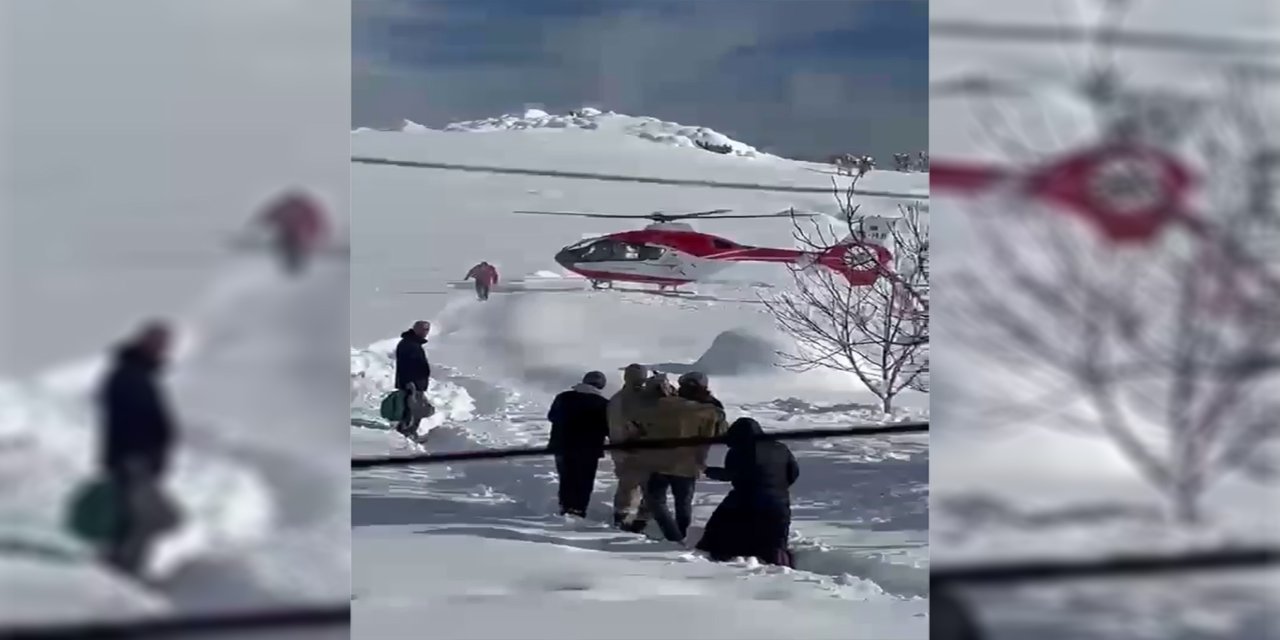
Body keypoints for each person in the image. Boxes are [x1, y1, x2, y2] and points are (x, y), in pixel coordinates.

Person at [95, 320, 183, 576]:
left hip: (139, 464)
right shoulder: (128, 375)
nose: (163, 349)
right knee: (154, 518)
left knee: (135, 520)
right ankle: (123, 572)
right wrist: (135, 458)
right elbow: (130, 421)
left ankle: (120, 569)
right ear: (143, 342)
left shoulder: (139, 375)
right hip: (133, 464)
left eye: (165, 344)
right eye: (157, 343)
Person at [633, 374, 727, 543]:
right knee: (683, 504)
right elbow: (721, 434)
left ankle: (673, 536)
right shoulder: (710, 411)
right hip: (688, 464)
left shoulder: (663, 404)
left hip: (659, 462)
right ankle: (683, 537)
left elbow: (641, 423)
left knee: (655, 500)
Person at [696, 417, 799, 568]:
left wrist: (707, 470)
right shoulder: (781, 448)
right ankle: (784, 569)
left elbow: (731, 474)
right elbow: (794, 472)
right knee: (775, 541)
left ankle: (718, 564)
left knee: (719, 531)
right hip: (779, 502)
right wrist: (779, 487)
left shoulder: (739, 450)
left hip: (745, 500)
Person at [547, 371, 610, 517]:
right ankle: (579, 508)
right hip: (589, 449)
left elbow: (552, 416)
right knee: (584, 480)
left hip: (562, 445)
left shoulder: (563, 397)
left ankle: (565, 506)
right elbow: (607, 428)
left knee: (566, 477)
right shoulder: (603, 404)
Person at [606, 363, 652, 532]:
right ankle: (641, 518)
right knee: (647, 485)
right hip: (639, 450)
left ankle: (621, 515)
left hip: (619, 448)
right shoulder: (642, 399)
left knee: (627, 485)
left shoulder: (616, 399)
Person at [258, 190, 328, 275]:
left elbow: (269, 216)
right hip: (290, 236)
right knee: (289, 251)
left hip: (297, 237)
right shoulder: (297, 208)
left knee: (295, 252)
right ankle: (292, 270)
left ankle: (295, 270)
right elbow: (269, 216)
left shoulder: (299, 208)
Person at [393, 320, 434, 438]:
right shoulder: (408, 344)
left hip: (417, 384)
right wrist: (409, 383)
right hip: (411, 384)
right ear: (415, 329)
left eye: (427, 329)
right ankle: (407, 432)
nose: (425, 332)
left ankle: (407, 432)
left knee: (417, 409)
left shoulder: (414, 344)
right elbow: (405, 366)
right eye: (423, 329)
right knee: (414, 410)